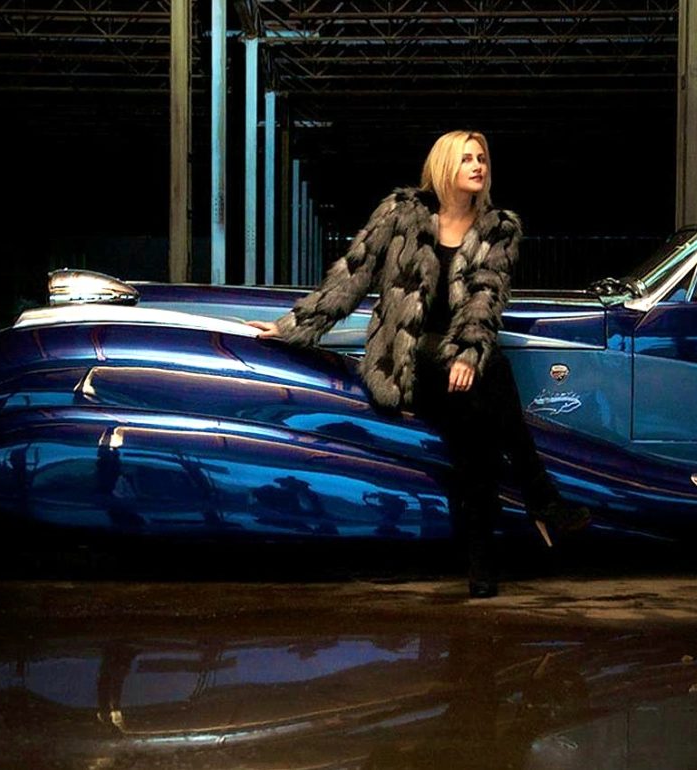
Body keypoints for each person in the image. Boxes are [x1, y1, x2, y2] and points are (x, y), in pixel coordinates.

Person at [247, 129, 590, 598]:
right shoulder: (402, 213)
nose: (478, 166)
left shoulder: (499, 228)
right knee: (492, 376)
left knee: (475, 429)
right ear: (445, 165)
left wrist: (466, 353)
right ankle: (541, 498)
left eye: (482, 158)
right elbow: (353, 274)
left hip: (463, 370)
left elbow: (486, 298)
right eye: (466, 158)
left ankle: (483, 560)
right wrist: (292, 326)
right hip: (404, 363)